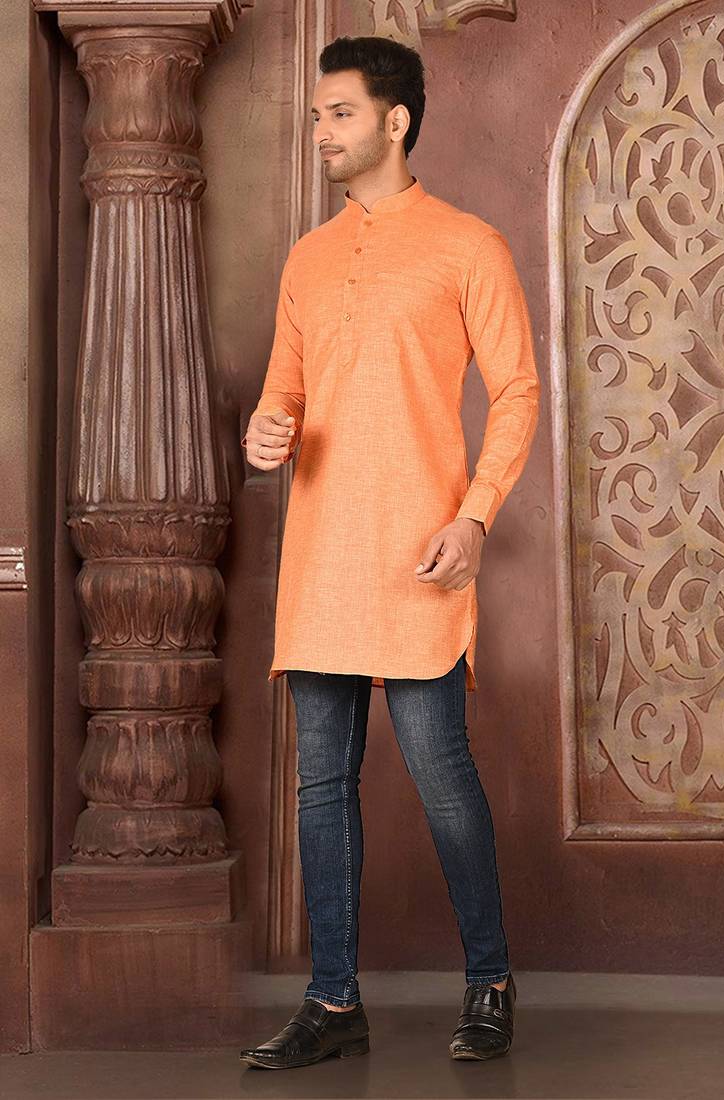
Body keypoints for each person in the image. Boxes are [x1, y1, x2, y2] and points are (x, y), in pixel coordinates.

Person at [239, 33, 539, 1069]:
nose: (321, 131)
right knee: (321, 785)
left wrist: (474, 515)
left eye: (339, 114)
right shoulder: (308, 258)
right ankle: (332, 1001)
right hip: (322, 555)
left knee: (439, 773)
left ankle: (489, 979)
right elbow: (283, 394)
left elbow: (517, 390)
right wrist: (265, 432)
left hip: (423, 550)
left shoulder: (467, 245)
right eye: (316, 115)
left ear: (394, 120)